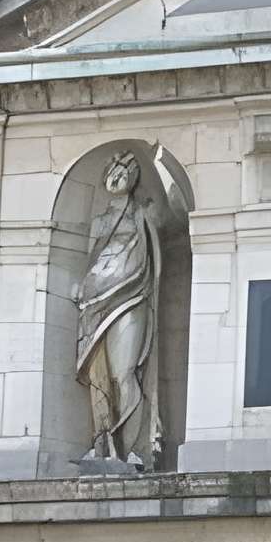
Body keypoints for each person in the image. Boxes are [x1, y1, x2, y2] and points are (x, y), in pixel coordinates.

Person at [75, 149, 160, 465]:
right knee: (100, 375)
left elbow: (168, 222)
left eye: (125, 173)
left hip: (131, 296)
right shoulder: (99, 222)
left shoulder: (143, 213)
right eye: (114, 171)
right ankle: (102, 441)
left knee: (124, 373)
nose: (117, 177)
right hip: (96, 302)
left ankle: (134, 447)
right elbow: (90, 261)